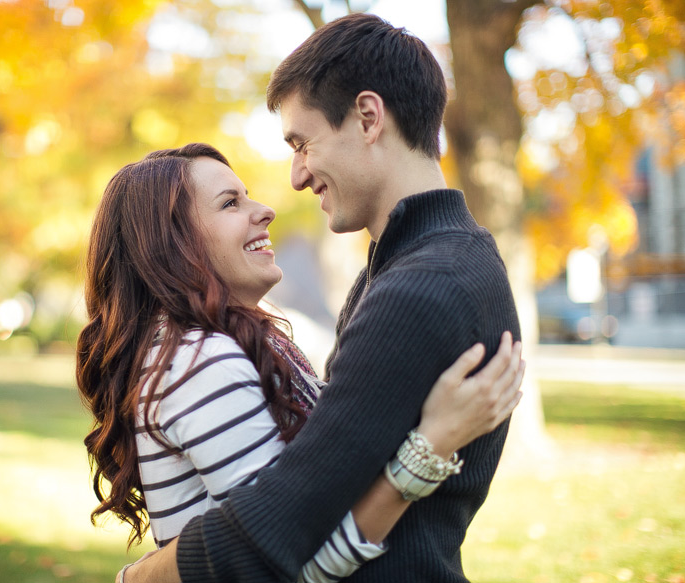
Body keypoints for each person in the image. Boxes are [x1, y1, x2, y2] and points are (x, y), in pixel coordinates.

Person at [121, 13, 523, 583]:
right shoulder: (405, 268)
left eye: (302, 142)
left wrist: (138, 578)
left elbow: (282, 522)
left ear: (366, 117)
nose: (295, 176)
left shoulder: (422, 287)